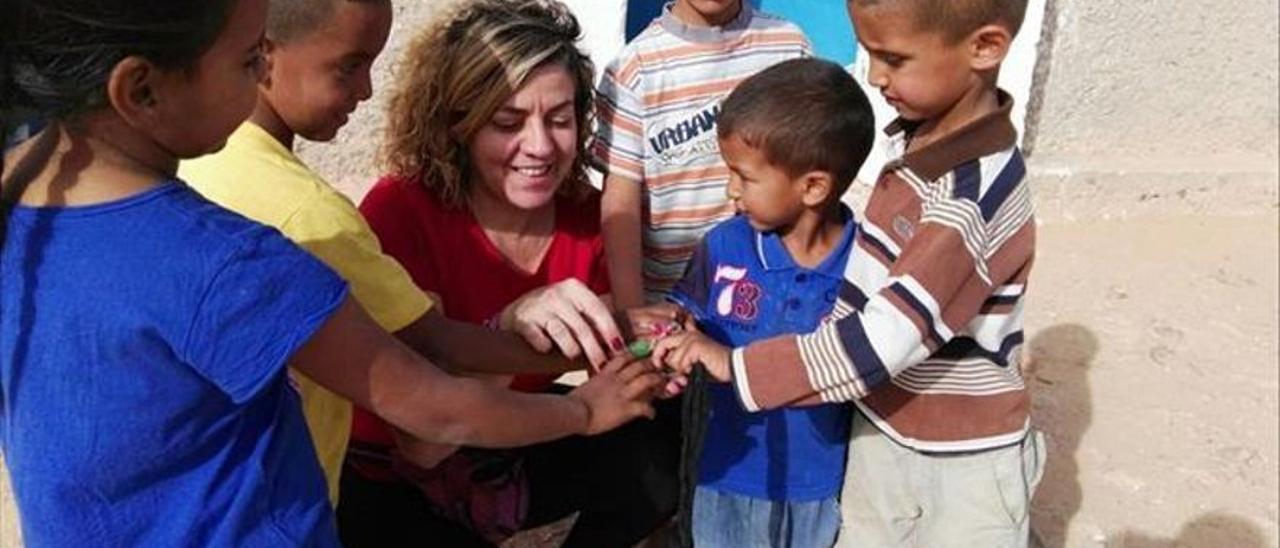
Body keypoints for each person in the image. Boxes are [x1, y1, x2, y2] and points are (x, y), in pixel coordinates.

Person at [0, 0, 662, 545]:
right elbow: (434, 408)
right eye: (249, 59)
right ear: (140, 89)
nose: (263, 72)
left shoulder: (23, 209)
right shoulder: (245, 257)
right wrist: (582, 408)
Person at [179, 0, 622, 507]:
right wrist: (583, 381)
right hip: (335, 488)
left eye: (561, 119)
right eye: (507, 121)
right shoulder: (316, 214)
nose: (366, 89)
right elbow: (434, 391)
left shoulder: (205, 164)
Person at [652, 0, 1047, 546]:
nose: (876, 77)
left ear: (985, 48)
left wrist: (736, 365)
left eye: (893, 58)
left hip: (953, 461)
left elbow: (883, 339)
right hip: (887, 430)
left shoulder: (970, 196)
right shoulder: (922, 146)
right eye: (869, 54)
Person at [338, 1, 681, 546]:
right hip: (395, 468)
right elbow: (424, 443)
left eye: (561, 119)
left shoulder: (592, 222)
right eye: (507, 122)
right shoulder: (400, 213)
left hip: (511, 438)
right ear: (458, 125)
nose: (541, 147)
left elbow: (617, 372)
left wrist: (653, 357)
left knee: (666, 441)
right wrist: (507, 325)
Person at [655, 58, 875, 547]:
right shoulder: (723, 247)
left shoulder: (865, 266)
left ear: (813, 186)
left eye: (745, 177)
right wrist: (673, 338)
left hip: (812, 484)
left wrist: (726, 359)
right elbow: (684, 321)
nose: (731, 190)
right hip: (721, 470)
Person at [594, 0, 812, 309]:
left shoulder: (788, 47)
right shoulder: (633, 70)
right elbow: (620, 203)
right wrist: (633, 312)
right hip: (670, 303)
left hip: (767, 298)